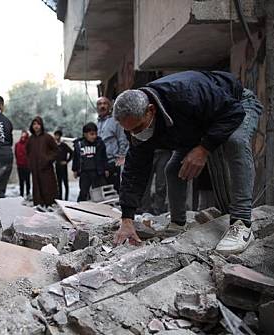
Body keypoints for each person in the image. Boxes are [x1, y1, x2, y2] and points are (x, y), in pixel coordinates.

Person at [112, 71, 263, 254]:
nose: (135, 134)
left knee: (236, 142)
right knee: (173, 169)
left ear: (151, 110)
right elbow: (134, 170)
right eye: (129, 131)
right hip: (195, 125)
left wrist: (203, 149)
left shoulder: (186, 92)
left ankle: (242, 223)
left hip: (235, 105)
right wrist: (127, 218)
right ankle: (178, 223)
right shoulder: (137, 126)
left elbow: (233, 112)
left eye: (138, 128)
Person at [97, 97, 129, 192]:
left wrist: (121, 156)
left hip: (113, 162)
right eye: (99, 104)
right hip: (101, 163)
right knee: (102, 192)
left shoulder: (115, 121)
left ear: (109, 106)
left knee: (114, 191)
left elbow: (122, 139)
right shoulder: (97, 123)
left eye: (105, 103)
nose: (102, 106)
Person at [26, 116, 59, 207]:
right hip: (35, 169)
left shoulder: (48, 137)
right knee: (37, 189)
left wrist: (47, 159)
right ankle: (39, 206)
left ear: (41, 125)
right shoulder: (30, 140)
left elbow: (56, 151)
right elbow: (28, 153)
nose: (36, 126)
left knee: (48, 188)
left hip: (46, 169)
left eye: (38, 124)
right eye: (34, 124)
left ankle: (50, 205)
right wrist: (30, 164)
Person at [72, 122, 108, 202]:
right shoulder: (79, 144)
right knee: (83, 192)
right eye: (91, 134)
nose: (94, 136)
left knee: (99, 192)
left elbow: (104, 157)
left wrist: (106, 169)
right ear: (85, 134)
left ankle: (99, 208)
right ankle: (80, 206)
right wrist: (75, 170)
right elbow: (75, 157)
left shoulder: (100, 143)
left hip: (97, 172)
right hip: (84, 172)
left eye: (95, 134)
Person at [139, 149, 171, 215]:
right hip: (147, 151)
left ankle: (158, 210)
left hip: (164, 151)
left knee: (161, 185)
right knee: (145, 183)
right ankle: (144, 210)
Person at [54, 130, 74, 200]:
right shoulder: (54, 146)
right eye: (55, 135)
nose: (56, 137)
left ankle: (66, 198)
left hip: (63, 166)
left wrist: (67, 161)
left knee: (65, 182)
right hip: (57, 165)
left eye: (57, 135)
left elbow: (72, 153)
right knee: (59, 182)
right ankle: (60, 198)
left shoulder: (64, 145)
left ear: (60, 136)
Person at [14, 131, 31, 199]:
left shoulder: (29, 145)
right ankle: (21, 194)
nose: (23, 138)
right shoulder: (17, 144)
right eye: (22, 136)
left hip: (27, 165)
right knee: (21, 180)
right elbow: (16, 153)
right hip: (20, 165)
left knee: (27, 180)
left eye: (24, 137)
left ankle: (27, 193)